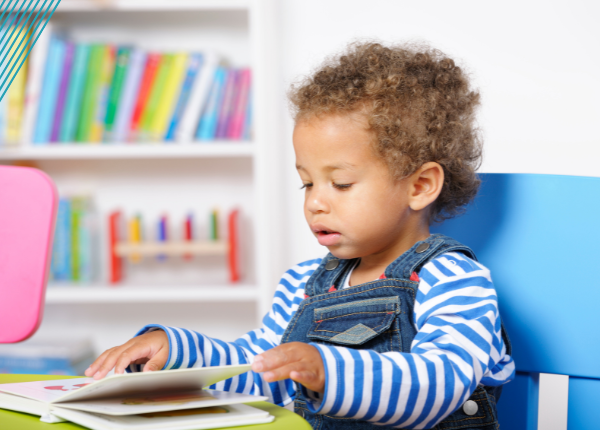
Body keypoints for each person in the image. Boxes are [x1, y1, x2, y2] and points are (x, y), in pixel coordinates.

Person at [86, 42, 515, 429]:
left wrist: (327, 370)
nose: (315, 203)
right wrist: (178, 352)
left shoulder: (454, 279)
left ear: (419, 186)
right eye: (307, 183)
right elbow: (264, 373)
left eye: (341, 184)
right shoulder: (304, 283)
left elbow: (438, 385)